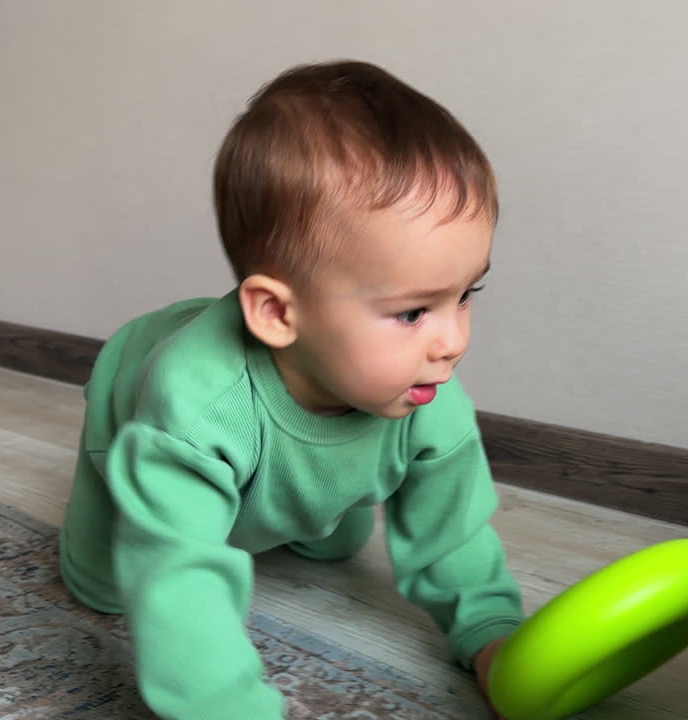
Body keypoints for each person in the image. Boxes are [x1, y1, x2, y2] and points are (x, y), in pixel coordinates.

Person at [58, 59, 523, 718]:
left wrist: (493, 638)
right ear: (278, 314)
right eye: (414, 311)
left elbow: (452, 534)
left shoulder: (430, 395)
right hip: (132, 421)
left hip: (294, 434)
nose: (451, 342)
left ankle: (286, 510)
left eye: (465, 295)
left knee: (332, 538)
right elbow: (179, 581)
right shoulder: (189, 405)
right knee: (107, 583)